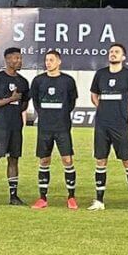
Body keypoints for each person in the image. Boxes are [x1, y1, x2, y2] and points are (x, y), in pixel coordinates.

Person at [88, 43, 128, 212]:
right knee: (100, 160)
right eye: (111, 51)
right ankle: (99, 201)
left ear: (123, 57)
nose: (113, 54)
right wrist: (102, 109)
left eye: (117, 52)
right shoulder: (100, 74)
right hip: (102, 125)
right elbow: (94, 95)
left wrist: (123, 112)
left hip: (120, 125)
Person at [28, 50, 79, 210]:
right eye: (46, 60)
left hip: (62, 127)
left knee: (67, 160)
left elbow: (71, 102)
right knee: (44, 160)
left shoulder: (68, 81)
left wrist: (61, 115)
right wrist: (45, 115)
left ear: (59, 61)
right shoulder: (38, 81)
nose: (48, 63)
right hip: (44, 128)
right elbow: (36, 102)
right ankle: (42, 198)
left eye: (51, 60)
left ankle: (71, 197)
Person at [0, 47, 31, 206]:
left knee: (14, 159)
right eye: (16, 58)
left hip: (16, 126)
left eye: (20, 58)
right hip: (0, 126)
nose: (19, 61)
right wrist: (10, 99)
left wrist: (17, 104)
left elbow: (24, 104)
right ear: (8, 60)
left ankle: (13, 196)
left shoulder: (23, 82)